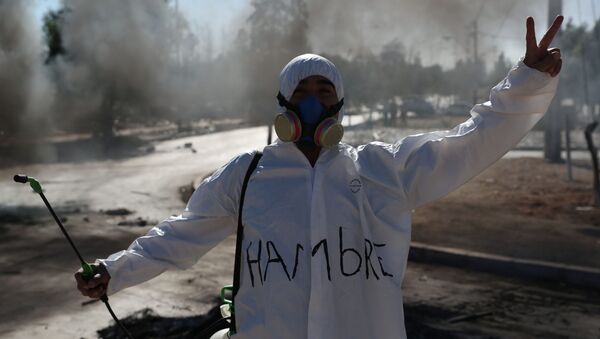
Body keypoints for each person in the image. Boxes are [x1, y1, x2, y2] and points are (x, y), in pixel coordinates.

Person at [76, 16, 564, 338]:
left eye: (324, 90)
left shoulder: (380, 170)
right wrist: (114, 271)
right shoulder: (246, 176)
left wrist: (527, 82)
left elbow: (471, 141)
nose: (313, 100)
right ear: (283, 104)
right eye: (302, 89)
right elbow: (176, 236)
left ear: (339, 103)